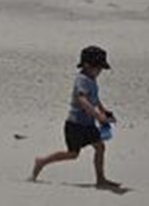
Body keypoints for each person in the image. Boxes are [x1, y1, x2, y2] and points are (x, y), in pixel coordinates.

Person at [31, 45, 121, 189]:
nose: (99, 72)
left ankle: (101, 179)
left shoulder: (91, 79)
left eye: (100, 69)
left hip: (88, 124)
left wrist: (103, 110)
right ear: (86, 65)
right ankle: (41, 161)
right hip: (75, 125)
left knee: (100, 147)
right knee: (73, 154)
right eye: (97, 68)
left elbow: (94, 98)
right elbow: (82, 100)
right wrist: (97, 115)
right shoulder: (82, 79)